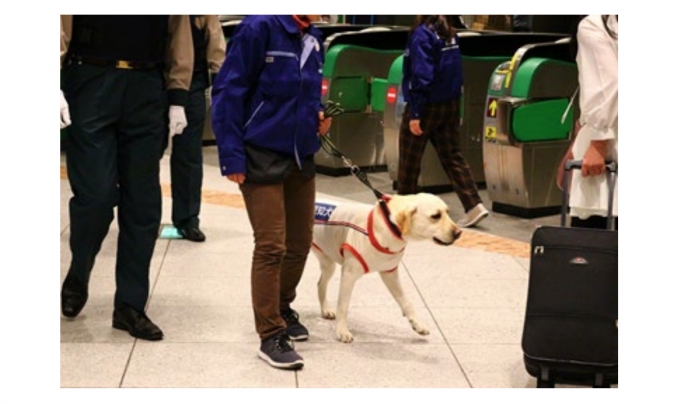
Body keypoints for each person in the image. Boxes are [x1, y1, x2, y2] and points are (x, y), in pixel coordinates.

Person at [60, 15, 194, 341]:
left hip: (146, 86)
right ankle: (80, 269)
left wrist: (178, 96)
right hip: (88, 78)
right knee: (97, 195)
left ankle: (130, 305)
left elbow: (179, 32)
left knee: (142, 203)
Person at [211, 15, 332, 370]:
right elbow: (227, 91)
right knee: (271, 245)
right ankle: (270, 334)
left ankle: (282, 305)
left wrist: (319, 116)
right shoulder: (258, 27)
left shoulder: (314, 36)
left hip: (300, 153)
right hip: (259, 151)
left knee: (299, 243)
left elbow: (307, 93)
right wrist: (232, 154)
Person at [398, 15, 489, 228]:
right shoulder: (449, 31)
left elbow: (422, 75)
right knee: (452, 156)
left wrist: (416, 112)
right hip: (450, 103)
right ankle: (474, 205)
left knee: (409, 161)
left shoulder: (422, 34)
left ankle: (402, 210)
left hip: (426, 105)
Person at [164, 15, 226, 242]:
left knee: (188, 154)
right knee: (144, 152)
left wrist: (221, 80)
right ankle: (140, 217)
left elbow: (215, 40)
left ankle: (188, 219)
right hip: (151, 78)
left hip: (192, 82)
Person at [568, 15, 618, 229]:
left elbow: (608, 83)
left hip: (610, 141)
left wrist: (598, 141)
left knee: (591, 242)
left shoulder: (594, 25)